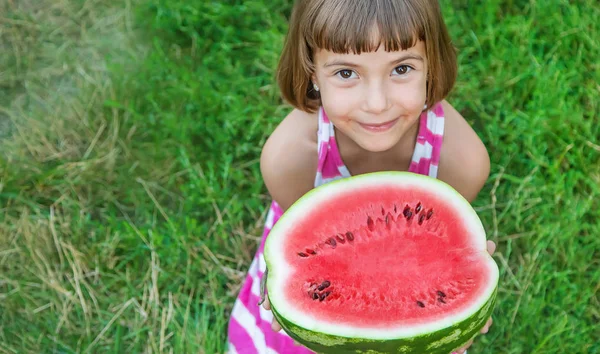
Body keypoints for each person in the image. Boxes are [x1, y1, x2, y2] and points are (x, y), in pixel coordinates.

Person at [227, 0, 495, 353]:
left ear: (432, 65)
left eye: (401, 68)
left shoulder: (460, 161)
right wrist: (298, 303)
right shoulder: (290, 160)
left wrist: (458, 317)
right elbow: (303, 258)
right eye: (346, 73)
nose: (376, 103)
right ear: (312, 73)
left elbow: (448, 252)